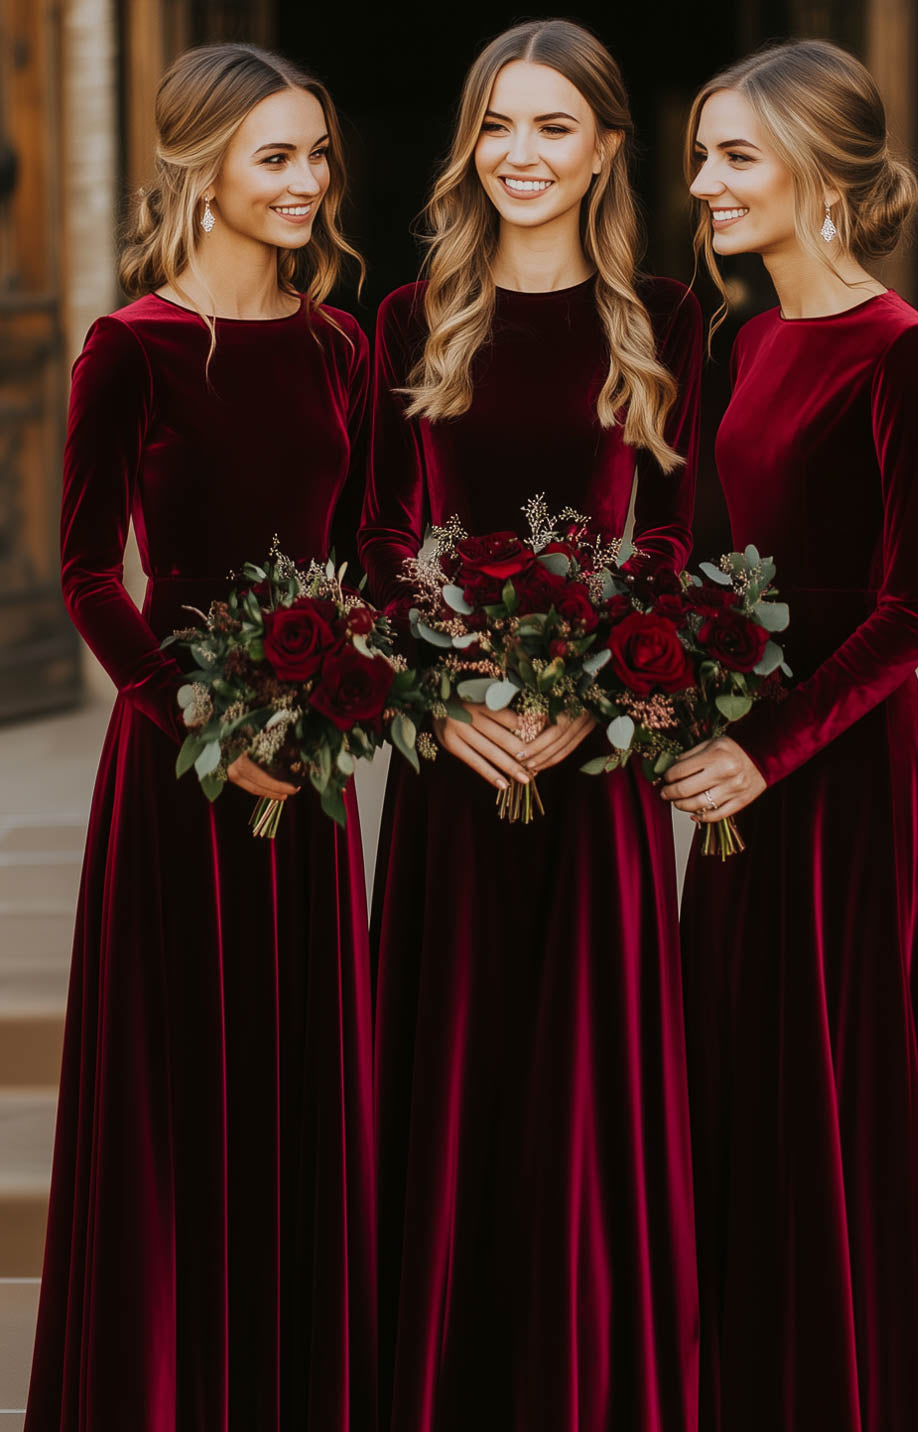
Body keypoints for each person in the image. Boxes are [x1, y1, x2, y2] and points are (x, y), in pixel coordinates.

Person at [358, 19, 703, 1431]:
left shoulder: (674, 322)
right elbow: (380, 535)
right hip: (452, 771)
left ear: (608, 149)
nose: (519, 154)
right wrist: (438, 705)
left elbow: (681, 537)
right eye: (497, 125)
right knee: (448, 1091)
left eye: (553, 127)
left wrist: (596, 697)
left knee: (582, 1095)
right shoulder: (410, 312)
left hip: (594, 769)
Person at [26, 43, 375, 1431]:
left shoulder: (342, 341)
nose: (307, 183)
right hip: (181, 775)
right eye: (277, 156)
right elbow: (85, 575)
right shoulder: (131, 347)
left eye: (318, 157)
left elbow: (356, 555)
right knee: (181, 1100)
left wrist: (355, 690)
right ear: (202, 169)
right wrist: (195, 724)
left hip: (320, 764)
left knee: (307, 1095)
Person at [665, 39, 918, 1432]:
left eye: (737, 155)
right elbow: (703, 564)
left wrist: (770, 748)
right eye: (703, 156)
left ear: (827, 176)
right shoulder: (740, 341)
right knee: (728, 1099)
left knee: (834, 1122)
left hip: (846, 790)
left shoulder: (903, 353)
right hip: (736, 778)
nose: (706, 184)